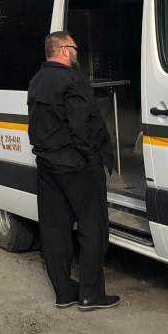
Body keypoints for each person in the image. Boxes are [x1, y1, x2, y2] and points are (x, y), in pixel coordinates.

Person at [27, 31, 120, 311]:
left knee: (55, 230)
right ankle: (91, 294)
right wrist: (93, 160)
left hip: (47, 165)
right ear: (64, 49)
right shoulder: (71, 81)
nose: (77, 52)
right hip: (77, 166)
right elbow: (82, 127)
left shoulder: (36, 81)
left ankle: (64, 292)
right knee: (93, 228)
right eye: (75, 48)